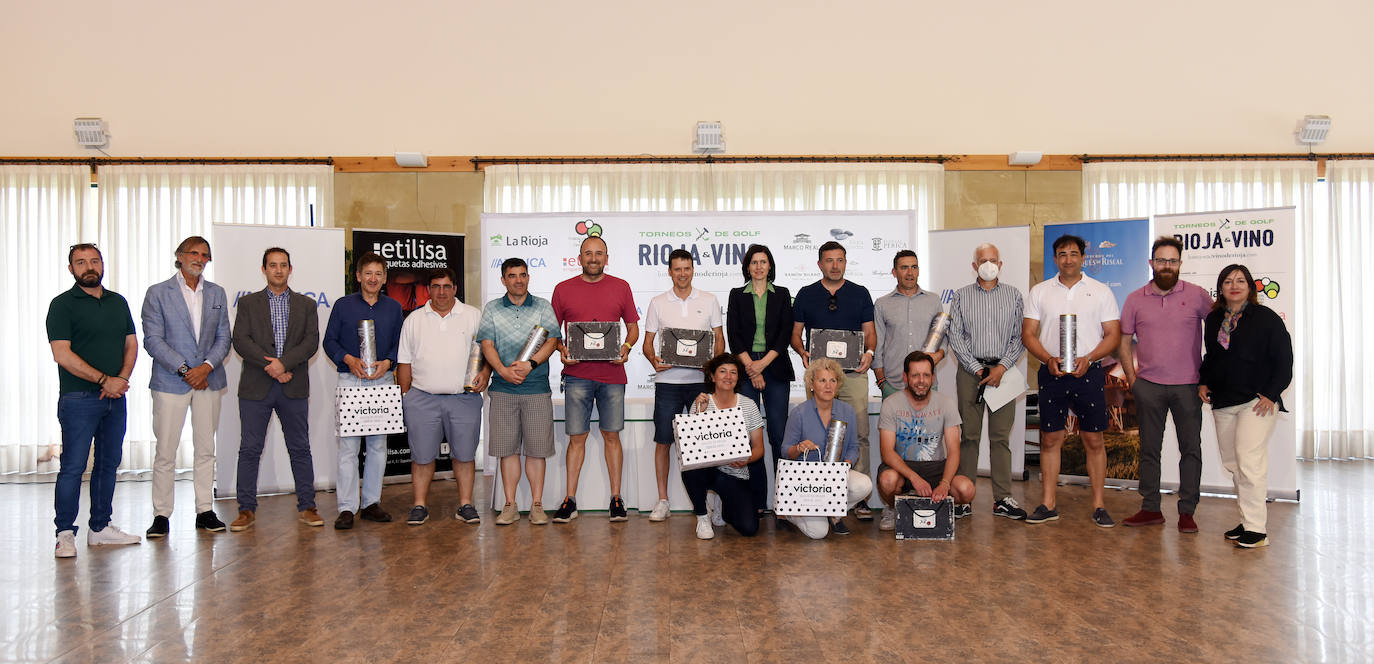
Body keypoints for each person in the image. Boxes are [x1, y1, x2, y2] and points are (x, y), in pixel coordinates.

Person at [47, 243, 142, 557]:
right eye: (81, 262)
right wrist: (105, 380)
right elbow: (62, 353)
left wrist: (122, 380)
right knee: (73, 466)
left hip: (115, 398)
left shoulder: (118, 302)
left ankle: (100, 528)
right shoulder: (62, 305)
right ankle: (64, 534)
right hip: (78, 398)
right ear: (71, 269)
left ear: (102, 264)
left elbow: (131, 344)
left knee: (108, 464)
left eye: (94, 260)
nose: (89, 266)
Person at [1022, 234, 1122, 527]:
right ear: (1055, 259)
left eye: (1073, 253)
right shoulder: (1039, 291)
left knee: (1093, 438)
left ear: (1083, 258)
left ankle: (1099, 505)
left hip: (1088, 372)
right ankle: (1048, 503)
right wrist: (1047, 358)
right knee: (1051, 438)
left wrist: (1089, 359)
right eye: (1062, 254)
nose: (1068, 258)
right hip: (1051, 372)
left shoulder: (1101, 291)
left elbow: (1113, 335)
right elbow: (1028, 333)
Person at [1118, 237, 1213, 532]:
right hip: (1148, 386)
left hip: (1188, 387)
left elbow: (1220, 334)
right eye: (1161, 260)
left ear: (1181, 264)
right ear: (1151, 263)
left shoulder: (1197, 296)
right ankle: (1150, 509)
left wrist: (1210, 377)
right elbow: (1123, 341)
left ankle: (1187, 512)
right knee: (1148, 450)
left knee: (1191, 450)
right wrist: (1133, 380)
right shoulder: (1135, 298)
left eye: (1172, 261)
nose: (1167, 266)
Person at [141, 236, 232, 538]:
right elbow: (153, 340)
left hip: (209, 379)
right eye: (193, 252)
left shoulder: (217, 292)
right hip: (171, 381)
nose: (199, 258)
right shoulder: (157, 293)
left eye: (205, 254)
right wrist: (185, 369)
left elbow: (224, 338)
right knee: (166, 451)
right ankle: (161, 514)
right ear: (179, 256)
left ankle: (204, 510)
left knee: (206, 449)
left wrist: (205, 367)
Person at [1200, 264, 1292, 549]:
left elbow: (1284, 359)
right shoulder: (1215, 319)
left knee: (1249, 461)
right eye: (1228, 281)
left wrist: (1271, 393)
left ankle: (1257, 529)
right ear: (1221, 288)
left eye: (1240, 280)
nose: (1234, 285)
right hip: (1223, 401)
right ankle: (1247, 520)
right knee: (1234, 464)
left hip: (1256, 402)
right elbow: (1213, 357)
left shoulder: (1266, 318)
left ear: (1250, 286)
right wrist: (1203, 382)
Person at [230, 247, 321, 532]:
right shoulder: (248, 304)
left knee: (300, 448)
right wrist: (271, 366)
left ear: (290, 269)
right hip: (256, 387)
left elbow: (310, 342)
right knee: (249, 449)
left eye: (283, 265)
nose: (278, 270)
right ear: (264, 269)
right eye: (273, 265)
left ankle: (307, 505)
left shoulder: (306, 305)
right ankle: (246, 509)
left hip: (293, 386)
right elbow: (241, 341)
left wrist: (283, 364)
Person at [550, 235, 640, 522]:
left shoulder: (621, 287)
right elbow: (552, 333)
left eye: (598, 253)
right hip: (576, 376)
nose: (593, 258)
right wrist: (563, 350)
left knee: (612, 437)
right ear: (579, 258)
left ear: (606, 257)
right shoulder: (562, 289)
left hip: (613, 375)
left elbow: (633, 329)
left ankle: (616, 499)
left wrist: (625, 349)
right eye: (588, 253)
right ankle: (570, 500)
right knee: (577, 439)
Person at [790, 241, 877, 521]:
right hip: (819, 374)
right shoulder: (806, 294)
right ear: (820, 264)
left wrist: (870, 352)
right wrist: (802, 351)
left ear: (845, 263)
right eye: (829, 260)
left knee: (859, 433)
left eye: (840, 260)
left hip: (852, 376)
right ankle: (817, 493)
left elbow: (870, 333)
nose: (835, 265)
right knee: (816, 434)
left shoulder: (860, 293)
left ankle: (859, 498)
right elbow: (795, 334)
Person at [397, 268, 490, 526]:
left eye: (446, 286)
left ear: (455, 288)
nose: (441, 292)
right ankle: (419, 505)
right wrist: (406, 396)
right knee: (422, 456)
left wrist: (485, 373)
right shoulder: (414, 320)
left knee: (464, 455)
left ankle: (465, 504)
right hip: (422, 399)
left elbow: (487, 353)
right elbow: (404, 362)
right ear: (428, 289)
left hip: (464, 399)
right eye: (436, 286)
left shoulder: (473, 316)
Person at [947, 243, 1028, 520]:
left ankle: (1003, 497)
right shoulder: (960, 296)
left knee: (1000, 438)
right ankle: (964, 496)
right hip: (971, 373)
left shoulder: (1014, 296)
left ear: (1001, 264)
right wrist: (977, 369)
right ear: (974, 266)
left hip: (1003, 373)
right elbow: (955, 336)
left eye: (993, 260)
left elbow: (1020, 336)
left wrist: (1002, 367)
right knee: (968, 436)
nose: (988, 264)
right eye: (983, 260)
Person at [323, 252, 403, 529]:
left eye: (378, 274)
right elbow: (329, 341)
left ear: (384, 278)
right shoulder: (343, 306)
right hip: (350, 379)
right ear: (358, 276)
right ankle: (346, 508)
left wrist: (389, 362)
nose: (373, 278)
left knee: (378, 446)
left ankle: (371, 503)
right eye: (367, 273)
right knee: (348, 448)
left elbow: (398, 343)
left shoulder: (393, 308)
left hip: (382, 380)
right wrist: (348, 359)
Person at [643, 249, 724, 522]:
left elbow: (719, 341)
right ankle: (663, 500)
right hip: (667, 384)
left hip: (699, 384)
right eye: (677, 269)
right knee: (664, 441)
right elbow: (647, 344)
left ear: (693, 269)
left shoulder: (710, 300)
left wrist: (712, 366)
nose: (682, 273)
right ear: (669, 271)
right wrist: (654, 359)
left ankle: (708, 502)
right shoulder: (657, 303)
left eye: (687, 268)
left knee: (705, 444)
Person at [479, 258, 561, 526]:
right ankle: (510, 505)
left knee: (537, 451)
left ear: (528, 277)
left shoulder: (542, 306)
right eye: (512, 276)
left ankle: (537, 506)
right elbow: (487, 345)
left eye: (523, 275)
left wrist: (531, 364)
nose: (518, 280)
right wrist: (502, 370)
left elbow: (551, 341)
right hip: (502, 389)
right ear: (503, 280)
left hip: (536, 389)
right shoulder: (492, 309)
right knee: (508, 451)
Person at [725, 244, 794, 512]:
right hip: (744, 366)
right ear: (747, 267)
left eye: (763, 262)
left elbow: (785, 332)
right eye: (754, 262)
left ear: (770, 266)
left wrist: (762, 366)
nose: (759, 267)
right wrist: (751, 368)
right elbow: (734, 333)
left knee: (778, 435)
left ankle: (784, 499)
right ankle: (755, 501)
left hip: (774, 366)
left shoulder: (783, 294)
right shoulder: (736, 295)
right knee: (747, 438)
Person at [876, 351, 975, 531]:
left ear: (933, 377)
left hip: (935, 467)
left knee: (966, 489)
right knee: (888, 480)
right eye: (915, 375)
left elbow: (954, 451)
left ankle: (938, 506)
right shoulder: (890, 404)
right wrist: (914, 478)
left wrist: (945, 483)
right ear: (905, 377)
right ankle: (893, 508)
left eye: (926, 375)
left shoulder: (947, 404)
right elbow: (887, 452)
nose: (921, 381)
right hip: (903, 467)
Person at [778, 358, 874, 538]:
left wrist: (846, 464)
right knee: (818, 533)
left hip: (835, 475)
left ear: (838, 385)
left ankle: (833, 512)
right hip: (807, 480)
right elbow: (786, 451)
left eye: (833, 380)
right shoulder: (799, 413)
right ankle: (792, 513)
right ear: (811, 384)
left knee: (864, 485)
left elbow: (853, 446)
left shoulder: (847, 411)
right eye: (822, 380)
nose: (828, 386)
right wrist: (799, 448)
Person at [682, 354, 765, 539]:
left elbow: (759, 448)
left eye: (733, 372)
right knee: (690, 469)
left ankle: (722, 507)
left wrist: (747, 459)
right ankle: (703, 517)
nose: (728, 377)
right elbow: (691, 448)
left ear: (738, 377)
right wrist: (700, 414)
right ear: (712, 376)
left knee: (749, 528)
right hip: (707, 470)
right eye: (723, 372)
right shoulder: (702, 402)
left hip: (735, 474)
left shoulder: (749, 405)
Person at [874, 250, 945, 400]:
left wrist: (938, 356)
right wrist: (881, 382)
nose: (910, 272)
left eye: (914, 267)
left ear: (918, 270)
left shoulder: (933, 300)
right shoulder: (882, 304)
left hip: (927, 384)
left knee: (930, 424)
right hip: (893, 385)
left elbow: (943, 338)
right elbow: (877, 344)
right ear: (894, 272)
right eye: (904, 267)